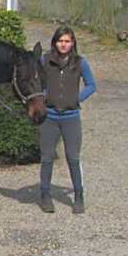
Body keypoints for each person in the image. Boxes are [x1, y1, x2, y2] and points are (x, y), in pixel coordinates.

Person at [38, 25, 96, 214]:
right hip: (50, 117)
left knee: (73, 157)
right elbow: (36, 80)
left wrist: (76, 98)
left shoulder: (80, 62)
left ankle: (79, 195)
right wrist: (44, 95)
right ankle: (45, 194)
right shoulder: (45, 59)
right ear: (55, 42)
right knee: (47, 158)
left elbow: (91, 85)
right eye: (61, 41)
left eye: (67, 41)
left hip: (71, 117)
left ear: (73, 43)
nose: (64, 44)